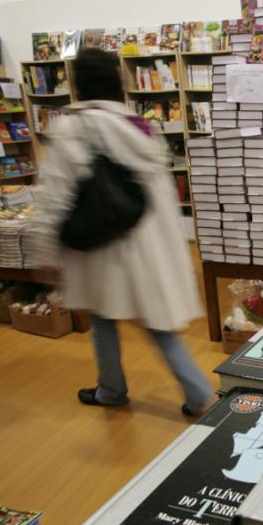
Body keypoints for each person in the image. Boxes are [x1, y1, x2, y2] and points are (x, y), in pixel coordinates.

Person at [37, 47, 213, 417]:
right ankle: (195, 392)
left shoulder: (73, 128)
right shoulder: (140, 125)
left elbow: (56, 195)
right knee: (155, 321)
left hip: (102, 244)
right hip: (149, 243)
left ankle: (113, 390)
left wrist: (46, 251)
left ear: (78, 84)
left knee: (103, 317)